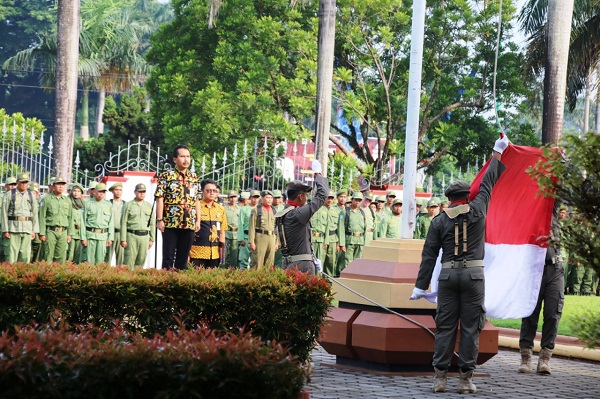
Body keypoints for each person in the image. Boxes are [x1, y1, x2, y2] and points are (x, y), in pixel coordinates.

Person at [410, 134, 509, 394]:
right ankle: (465, 380)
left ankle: (439, 378)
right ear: (468, 195)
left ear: (449, 198)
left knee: (445, 328)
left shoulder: (438, 221)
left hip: (448, 277)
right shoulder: (478, 209)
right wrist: (497, 150)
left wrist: (420, 287)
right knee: (470, 329)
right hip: (474, 276)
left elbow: (429, 255)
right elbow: (488, 181)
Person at [518, 201, 566, 375]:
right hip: (533, 269)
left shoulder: (551, 211)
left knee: (553, 313)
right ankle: (526, 357)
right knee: (530, 313)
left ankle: (545, 358)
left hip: (555, 269)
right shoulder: (528, 214)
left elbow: (554, 188)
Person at [275, 160, 328, 275]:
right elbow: (322, 195)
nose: (306, 198)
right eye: (305, 195)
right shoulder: (297, 214)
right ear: (300, 196)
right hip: (302, 266)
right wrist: (318, 174)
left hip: (289, 263)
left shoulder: (285, 213)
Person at [154, 145, 200, 270]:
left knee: (183, 257)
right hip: (171, 222)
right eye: (182, 156)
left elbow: (196, 200)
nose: (186, 160)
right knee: (168, 257)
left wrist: (198, 220)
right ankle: (166, 283)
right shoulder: (166, 176)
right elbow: (160, 198)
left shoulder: (194, 177)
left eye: (188, 156)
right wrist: (159, 219)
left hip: (189, 222)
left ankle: (180, 283)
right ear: (175, 159)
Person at [1, 172, 39, 263]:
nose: (24, 184)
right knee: (11, 256)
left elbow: (34, 213)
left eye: (26, 182)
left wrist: (34, 230)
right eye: (22, 182)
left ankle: (23, 276)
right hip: (13, 228)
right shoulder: (10, 194)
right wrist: (5, 230)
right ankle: (11, 275)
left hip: (27, 228)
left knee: (25, 255)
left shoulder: (31, 195)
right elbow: (4, 213)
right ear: (17, 182)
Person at [189, 178, 227, 268]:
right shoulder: (195, 207)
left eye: (214, 191)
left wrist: (222, 253)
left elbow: (222, 231)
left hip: (214, 253)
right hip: (197, 252)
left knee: (212, 279)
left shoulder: (220, 209)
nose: (212, 193)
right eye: (208, 190)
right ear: (202, 191)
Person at [120, 183, 155, 269]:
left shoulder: (149, 206)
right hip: (132, 235)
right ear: (135, 192)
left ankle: (137, 280)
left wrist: (152, 239)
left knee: (141, 260)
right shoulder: (128, 205)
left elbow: (152, 223)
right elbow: (123, 222)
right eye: (139, 192)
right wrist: (123, 239)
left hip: (145, 237)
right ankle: (127, 280)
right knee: (129, 260)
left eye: (143, 192)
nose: (142, 193)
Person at [39, 176, 73, 264]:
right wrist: (42, 233)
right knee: (48, 255)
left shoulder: (67, 201)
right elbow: (42, 217)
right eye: (58, 184)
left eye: (62, 185)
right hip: (51, 231)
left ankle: (59, 276)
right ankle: (47, 276)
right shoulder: (46, 199)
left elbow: (70, 218)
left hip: (63, 232)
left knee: (61, 257)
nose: (61, 187)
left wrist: (69, 233)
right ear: (53, 186)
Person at [83, 183, 114, 265]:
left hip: (103, 236)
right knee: (89, 261)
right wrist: (83, 237)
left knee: (100, 261)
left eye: (103, 192)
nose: (101, 194)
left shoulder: (108, 205)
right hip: (90, 235)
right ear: (95, 192)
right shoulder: (87, 204)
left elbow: (111, 222)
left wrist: (110, 238)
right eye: (100, 191)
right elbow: (83, 222)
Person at [249, 190, 277, 269]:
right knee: (258, 262)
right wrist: (251, 241)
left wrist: (277, 242)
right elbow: (252, 226)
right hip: (260, 237)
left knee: (270, 262)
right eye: (267, 197)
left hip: (272, 238)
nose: (270, 200)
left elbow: (276, 227)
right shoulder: (256, 210)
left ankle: (267, 280)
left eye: (271, 198)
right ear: (262, 198)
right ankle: (256, 280)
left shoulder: (274, 210)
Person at [343, 192, 367, 269]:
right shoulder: (346, 211)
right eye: (356, 200)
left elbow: (365, 228)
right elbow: (341, 228)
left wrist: (365, 242)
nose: (357, 202)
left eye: (359, 200)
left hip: (360, 240)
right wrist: (342, 243)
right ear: (352, 200)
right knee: (348, 261)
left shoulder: (362, 212)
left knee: (358, 261)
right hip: (350, 240)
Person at [105, 182, 125, 265]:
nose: (118, 192)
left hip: (121, 234)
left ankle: (120, 276)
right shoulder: (108, 203)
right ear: (112, 191)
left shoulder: (125, 204)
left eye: (120, 190)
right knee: (107, 258)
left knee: (121, 259)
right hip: (110, 233)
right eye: (116, 190)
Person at [67, 183, 86, 263]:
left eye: (78, 191)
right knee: (69, 255)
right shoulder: (68, 201)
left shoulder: (83, 204)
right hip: (71, 232)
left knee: (78, 255)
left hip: (80, 233)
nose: (76, 193)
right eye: (74, 191)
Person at [0, 177, 17, 262]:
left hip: (8, 227)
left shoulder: (16, 198)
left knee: (7, 250)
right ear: (6, 186)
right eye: (11, 185)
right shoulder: (1, 197)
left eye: (14, 185)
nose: (13, 187)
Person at [223, 190, 241, 268]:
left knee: (235, 253)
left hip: (237, 234)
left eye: (234, 197)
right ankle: (225, 268)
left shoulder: (240, 209)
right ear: (228, 198)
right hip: (227, 233)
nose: (233, 199)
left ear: (237, 198)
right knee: (226, 253)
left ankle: (233, 269)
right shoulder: (224, 209)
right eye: (231, 197)